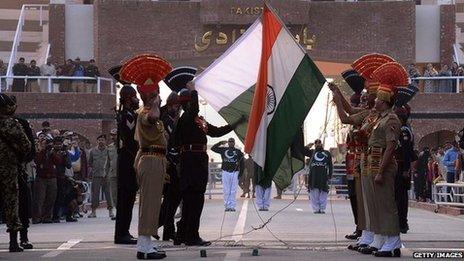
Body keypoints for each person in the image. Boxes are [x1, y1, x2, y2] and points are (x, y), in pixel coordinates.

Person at [174, 83, 242, 246]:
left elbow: (216, 132)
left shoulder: (198, 120)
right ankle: (191, 235)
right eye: (192, 101)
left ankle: (183, 233)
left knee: (193, 199)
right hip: (191, 161)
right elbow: (195, 108)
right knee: (194, 199)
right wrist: (194, 90)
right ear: (188, 103)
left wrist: (236, 123)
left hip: (198, 161)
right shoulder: (186, 118)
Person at [0, 93, 32, 252]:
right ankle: (14, 241)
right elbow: (26, 146)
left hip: (11, 169)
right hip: (9, 169)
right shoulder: (11, 124)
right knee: (12, 203)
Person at [340, 69, 365, 240]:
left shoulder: (367, 116)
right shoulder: (361, 117)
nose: (357, 107)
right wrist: (337, 94)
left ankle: (364, 229)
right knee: (354, 196)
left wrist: (337, 98)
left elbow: (347, 114)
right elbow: (348, 112)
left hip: (363, 163)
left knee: (362, 198)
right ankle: (359, 227)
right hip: (353, 165)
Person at [114, 84, 140, 245]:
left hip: (127, 158)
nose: (137, 99)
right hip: (127, 159)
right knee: (126, 198)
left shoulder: (127, 114)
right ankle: (121, 233)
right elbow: (131, 138)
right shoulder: (128, 115)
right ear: (129, 98)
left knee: (128, 198)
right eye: (135, 96)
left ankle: (124, 232)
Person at [158, 92, 182, 241]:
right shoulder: (166, 119)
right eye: (175, 106)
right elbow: (173, 137)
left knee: (171, 200)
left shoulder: (170, 118)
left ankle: (166, 228)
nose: (177, 109)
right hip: (169, 164)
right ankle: (166, 228)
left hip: (170, 163)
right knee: (171, 198)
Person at [394, 86, 418, 234]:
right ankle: (401, 221)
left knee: (401, 197)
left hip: (402, 167)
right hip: (399, 166)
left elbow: (406, 152)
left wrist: (405, 170)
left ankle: (402, 222)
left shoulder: (404, 130)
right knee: (398, 196)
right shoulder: (403, 128)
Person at [33, 137, 63, 224]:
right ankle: (37, 217)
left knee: (51, 198)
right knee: (39, 198)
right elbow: (37, 161)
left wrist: (51, 153)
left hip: (52, 178)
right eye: (45, 144)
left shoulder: (53, 153)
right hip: (41, 178)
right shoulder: (39, 152)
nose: (47, 146)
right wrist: (42, 150)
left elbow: (58, 161)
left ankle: (47, 217)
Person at [211, 138, 244, 212]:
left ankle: (232, 206)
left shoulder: (238, 152)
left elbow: (242, 164)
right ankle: (227, 206)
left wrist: (240, 174)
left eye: (232, 142)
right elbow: (213, 148)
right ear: (228, 143)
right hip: (225, 172)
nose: (231, 143)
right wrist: (220, 142)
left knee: (233, 190)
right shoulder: (223, 150)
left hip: (234, 172)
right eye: (230, 141)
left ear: (234, 143)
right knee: (226, 190)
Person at [88, 134, 113, 218]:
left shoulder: (109, 150)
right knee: (95, 193)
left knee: (108, 193)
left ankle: (110, 211)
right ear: (97, 141)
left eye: (102, 140)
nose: (101, 141)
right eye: (99, 140)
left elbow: (111, 162)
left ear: (105, 141)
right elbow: (90, 162)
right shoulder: (92, 151)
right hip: (96, 175)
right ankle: (93, 211)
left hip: (106, 175)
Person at [307, 139, 333, 214]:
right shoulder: (312, 152)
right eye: (316, 143)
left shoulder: (327, 153)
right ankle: (315, 208)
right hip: (313, 176)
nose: (318, 144)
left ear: (322, 144)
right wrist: (308, 146)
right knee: (314, 192)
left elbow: (330, 165)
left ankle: (322, 208)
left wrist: (330, 174)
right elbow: (303, 151)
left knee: (323, 192)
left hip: (323, 175)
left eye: (319, 143)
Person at [106, 128, 118, 220]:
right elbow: (108, 162)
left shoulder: (123, 145)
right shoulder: (109, 147)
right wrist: (106, 173)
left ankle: (123, 212)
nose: (113, 137)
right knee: (114, 194)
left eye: (115, 135)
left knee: (123, 194)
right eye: (112, 135)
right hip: (113, 173)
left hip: (122, 174)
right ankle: (118, 212)